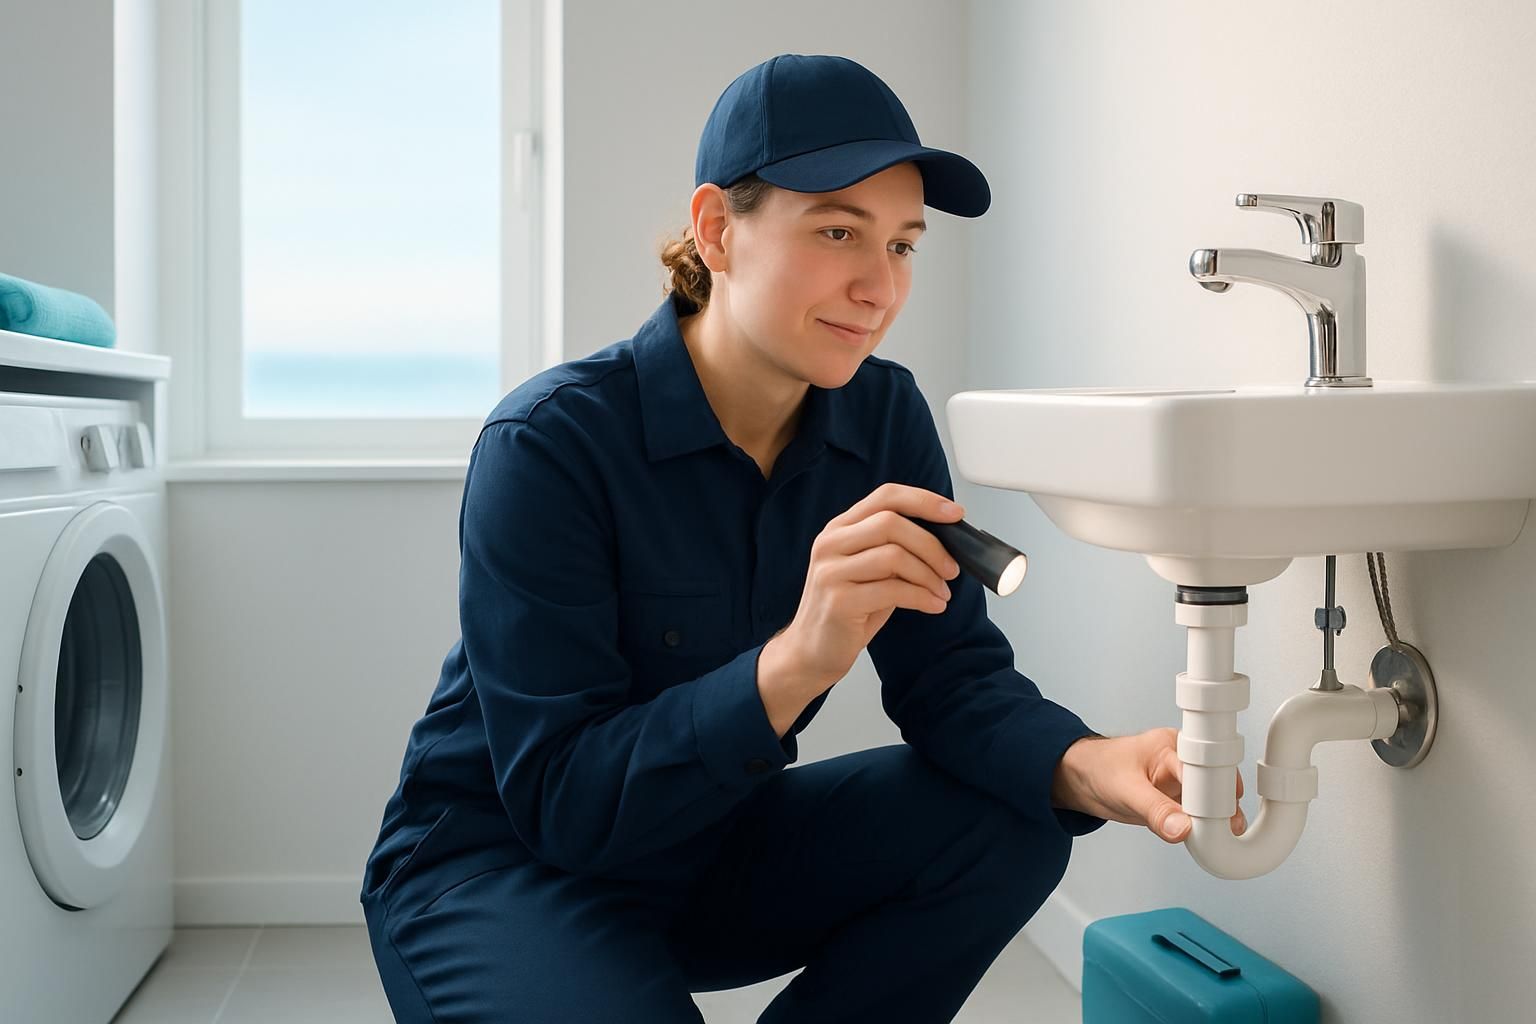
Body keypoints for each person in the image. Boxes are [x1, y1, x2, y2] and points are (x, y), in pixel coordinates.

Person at [359, 53, 1246, 1024]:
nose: (878, 286)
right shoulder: (549, 444)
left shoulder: (883, 419)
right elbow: (564, 803)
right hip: (502, 864)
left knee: (1017, 816)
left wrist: (1090, 761)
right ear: (717, 231)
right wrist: (797, 660)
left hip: (704, 845)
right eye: (837, 230)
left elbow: (950, 677)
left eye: (904, 244)